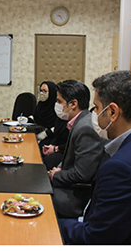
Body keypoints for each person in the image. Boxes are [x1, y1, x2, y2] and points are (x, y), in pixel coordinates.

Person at [59, 70, 131, 244]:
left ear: (113, 112)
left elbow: (96, 237)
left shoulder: (121, 169)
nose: (94, 113)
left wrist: (55, 223)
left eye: (97, 107)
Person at [48, 80, 104, 218]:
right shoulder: (78, 122)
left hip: (76, 196)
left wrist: (56, 175)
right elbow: (70, 157)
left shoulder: (85, 128)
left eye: (59, 101)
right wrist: (59, 168)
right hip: (69, 183)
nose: (56, 105)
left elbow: (82, 174)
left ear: (73, 104)